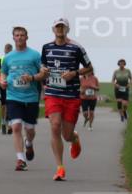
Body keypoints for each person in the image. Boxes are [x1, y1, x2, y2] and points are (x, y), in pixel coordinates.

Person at [37, 18, 93, 181]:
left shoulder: (77, 47)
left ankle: (74, 138)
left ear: (67, 29)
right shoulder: (46, 47)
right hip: (53, 94)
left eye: (63, 27)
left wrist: (74, 73)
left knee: (66, 135)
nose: (60, 29)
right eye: (57, 27)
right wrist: (43, 71)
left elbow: (90, 67)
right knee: (54, 126)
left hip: (71, 96)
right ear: (53, 29)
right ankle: (60, 168)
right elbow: (43, 67)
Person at [0, 26, 42, 171]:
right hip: (13, 96)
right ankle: (20, 159)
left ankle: (29, 143)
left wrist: (32, 77)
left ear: (26, 37)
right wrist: (2, 81)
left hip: (31, 97)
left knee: (29, 129)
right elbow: (3, 73)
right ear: (13, 38)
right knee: (16, 126)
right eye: (17, 35)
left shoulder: (35, 55)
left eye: (22, 35)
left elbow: (43, 73)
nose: (19, 37)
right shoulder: (8, 57)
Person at [0, 43, 12, 134]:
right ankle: (3, 122)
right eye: (6, 48)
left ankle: (9, 123)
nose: (8, 50)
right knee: (3, 104)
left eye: (10, 48)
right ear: (4, 50)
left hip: (12, 85)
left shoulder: (15, 59)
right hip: (1, 84)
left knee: (10, 103)